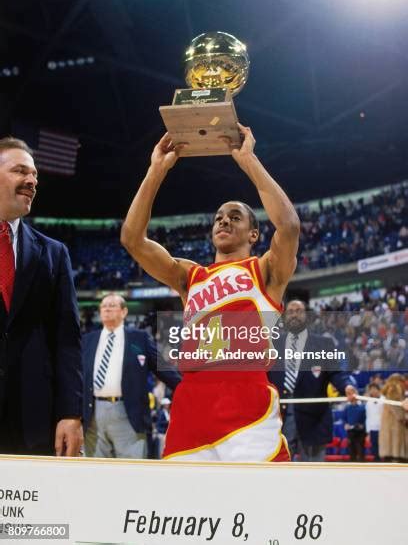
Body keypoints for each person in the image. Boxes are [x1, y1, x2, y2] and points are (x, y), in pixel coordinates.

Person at [121, 124, 300, 461]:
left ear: (253, 235)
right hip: (191, 400)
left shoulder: (264, 270)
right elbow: (132, 240)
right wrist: (156, 170)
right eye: (219, 217)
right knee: (185, 505)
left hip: (245, 395)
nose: (224, 221)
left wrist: (248, 161)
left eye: (235, 217)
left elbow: (289, 226)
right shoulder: (190, 276)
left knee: (259, 501)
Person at [0, 137, 83, 455]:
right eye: (20, 171)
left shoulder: (54, 252)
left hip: (35, 418)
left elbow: (67, 339)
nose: (32, 181)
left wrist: (71, 412)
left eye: (35, 175)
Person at [82, 293, 181, 458]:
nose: (106, 308)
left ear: (124, 312)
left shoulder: (139, 338)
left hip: (129, 412)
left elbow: (165, 371)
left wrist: (186, 389)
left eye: (112, 305)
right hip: (93, 414)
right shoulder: (87, 340)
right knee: (96, 471)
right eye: (103, 306)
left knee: (131, 473)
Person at [268, 300, 357, 461]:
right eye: (291, 311)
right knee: (279, 473)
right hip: (279, 419)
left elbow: (335, 372)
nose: (294, 314)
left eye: (299, 311)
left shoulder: (323, 343)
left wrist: (347, 386)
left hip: (313, 419)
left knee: (313, 475)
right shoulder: (273, 343)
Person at [343, 397, 366, 462]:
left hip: (360, 431)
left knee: (360, 448)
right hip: (350, 431)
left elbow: (366, 418)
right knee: (351, 449)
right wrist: (345, 424)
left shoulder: (363, 407)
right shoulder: (347, 408)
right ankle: (352, 465)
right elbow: (344, 418)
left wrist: (363, 425)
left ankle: (362, 464)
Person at [365, 382, 383, 461]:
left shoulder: (384, 400)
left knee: (383, 447)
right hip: (373, 428)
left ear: (379, 390)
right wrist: (368, 431)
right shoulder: (368, 403)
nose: (373, 391)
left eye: (374, 389)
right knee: (374, 448)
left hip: (383, 428)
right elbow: (368, 417)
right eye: (371, 389)